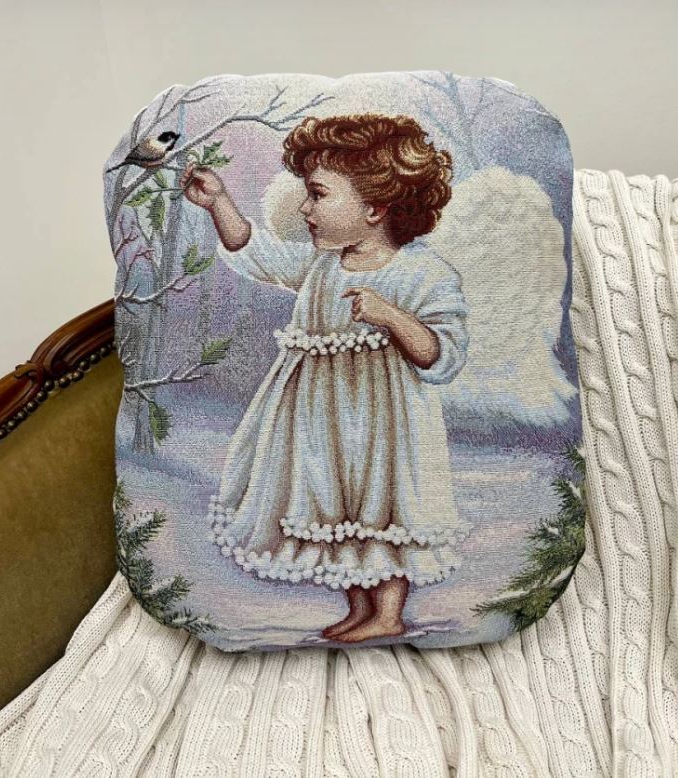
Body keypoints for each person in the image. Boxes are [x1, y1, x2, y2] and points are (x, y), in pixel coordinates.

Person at [181, 113, 472, 643]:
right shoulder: (323, 267)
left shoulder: (423, 274)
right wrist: (219, 202)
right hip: (320, 419)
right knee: (333, 505)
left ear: (374, 208)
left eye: (317, 195)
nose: (305, 209)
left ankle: (388, 613)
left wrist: (390, 315)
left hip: (386, 428)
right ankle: (359, 607)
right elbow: (256, 253)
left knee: (382, 506)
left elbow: (441, 354)